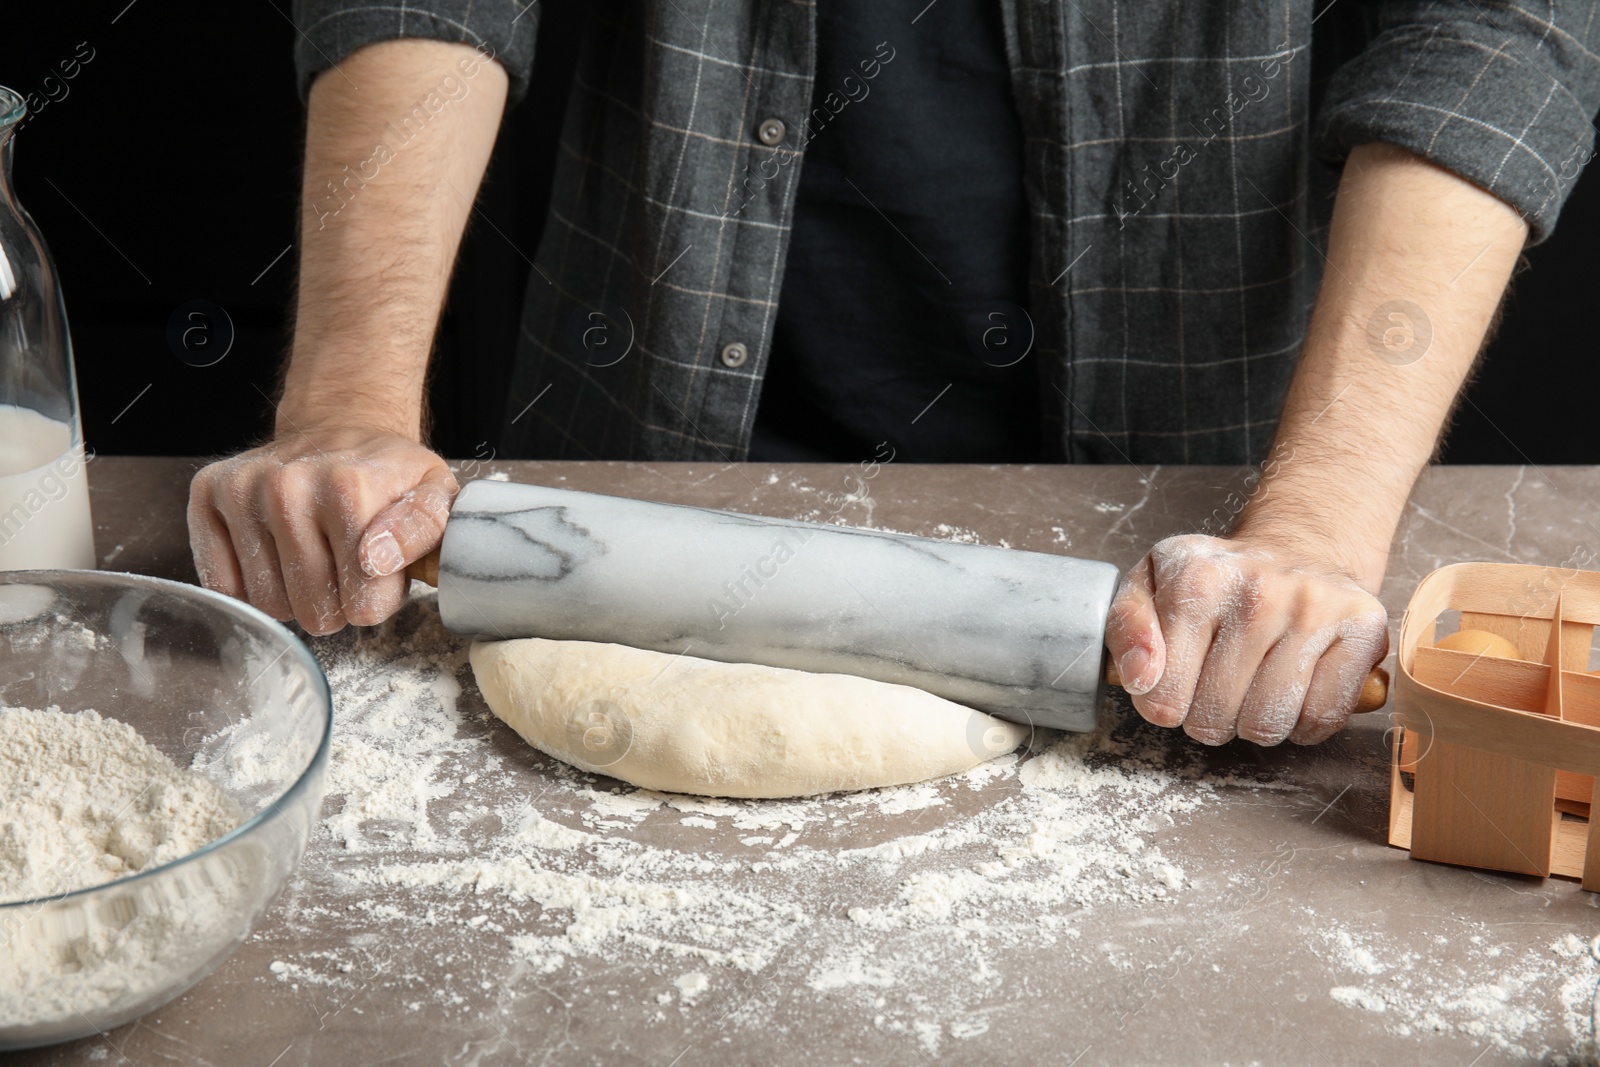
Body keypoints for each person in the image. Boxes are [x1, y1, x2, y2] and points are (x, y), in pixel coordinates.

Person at [188, 1, 1600, 748]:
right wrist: (348, 405)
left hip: (1186, 501)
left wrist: (1316, 527)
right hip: (640, 437)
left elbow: (1495, 33)